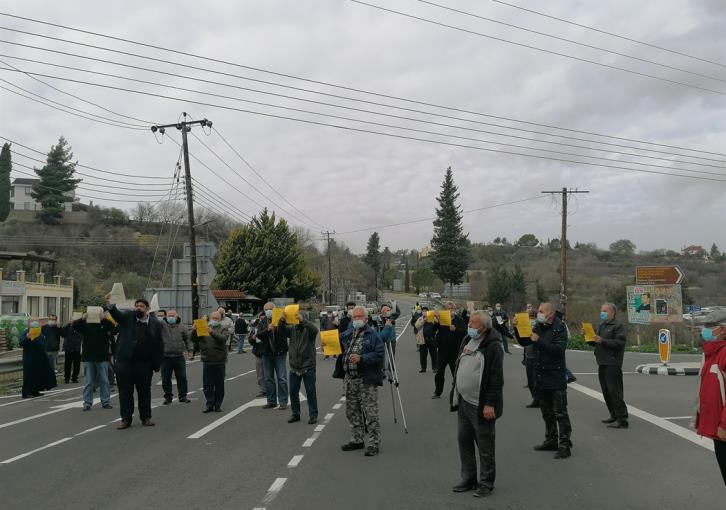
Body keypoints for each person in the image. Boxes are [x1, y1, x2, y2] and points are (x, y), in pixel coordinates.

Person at [450, 310, 503, 498]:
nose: (469, 326)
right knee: (464, 441)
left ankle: (486, 483)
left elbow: (497, 379)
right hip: (464, 401)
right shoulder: (467, 340)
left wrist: (490, 404)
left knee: (485, 445)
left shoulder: (493, 346)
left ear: (483, 327)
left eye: (472, 323)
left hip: (480, 404)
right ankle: (469, 478)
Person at [106, 297, 165, 429]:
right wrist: (111, 305)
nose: (138, 308)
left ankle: (146, 417)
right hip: (125, 363)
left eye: (142, 306)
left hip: (144, 364)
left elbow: (159, 344)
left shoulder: (155, 323)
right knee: (125, 392)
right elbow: (118, 316)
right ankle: (126, 419)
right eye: (137, 305)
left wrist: (157, 364)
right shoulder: (128, 317)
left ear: (148, 309)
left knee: (144, 392)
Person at [339, 305, 385, 456]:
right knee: (352, 412)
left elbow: (379, 355)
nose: (356, 320)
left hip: (366, 380)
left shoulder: (373, 335)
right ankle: (357, 439)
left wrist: (362, 358)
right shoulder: (349, 334)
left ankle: (374, 443)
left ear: (366, 319)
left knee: (370, 413)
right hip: (350, 379)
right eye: (353, 317)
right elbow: (338, 343)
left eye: (359, 317)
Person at [531, 302, 573, 459]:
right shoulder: (539, 326)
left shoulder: (560, 327)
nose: (538, 313)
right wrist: (517, 328)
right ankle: (551, 439)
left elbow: (558, 350)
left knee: (560, 412)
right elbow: (526, 342)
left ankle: (564, 444)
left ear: (551, 313)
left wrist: (539, 341)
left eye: (541, 311)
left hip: (555, 376)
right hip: (541, 375)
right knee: (546, 412)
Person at [693, 312, 726, 485]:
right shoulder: (711, 353)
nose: (704, 331)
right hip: (718, 428)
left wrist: (724, 424)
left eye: (708, 327)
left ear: (722, 330)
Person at [592, 303, 628, 428]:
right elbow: (596, 342)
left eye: (605, 311)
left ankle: (622, 419)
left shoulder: (618, 326)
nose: (602, 313)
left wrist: (603, 340)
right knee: (606, 392)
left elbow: (619, 343)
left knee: (614, 392)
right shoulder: (602, 325)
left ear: (613, 312)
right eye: (602, 310)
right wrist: (588, 337)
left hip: (613, 363)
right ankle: (613, 415)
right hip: (602, 362)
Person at [75, 309, 115, 411]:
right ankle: (87, 403)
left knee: (104, 380)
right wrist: (82, 318)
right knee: (88, 381)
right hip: (88, 356)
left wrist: (104, 319)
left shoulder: (104, 324)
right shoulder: (85, 324)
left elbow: (112, 327)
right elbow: (75, 326)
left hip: (102, 356)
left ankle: (105, 402)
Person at [286, 311, 320, 424]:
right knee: (293, 391)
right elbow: (282, 331)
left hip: (308, 365)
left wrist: (303, 321)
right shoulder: (292, 329)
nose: (297, 319)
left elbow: (315, 330)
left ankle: (313, 415)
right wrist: (281, 321)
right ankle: (295, 414)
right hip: (294, 366)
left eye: (299, 317)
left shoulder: (309, 329)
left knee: (310, 391)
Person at [256, 302, 290, 410]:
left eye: (270, 309)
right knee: (268, 378)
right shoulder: (262, 322)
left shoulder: (281, 320)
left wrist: (282, 321)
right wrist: (268, 329)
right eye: (266, 310)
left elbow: (285, 332)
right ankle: (271, 401)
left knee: (281, 378)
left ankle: (283, 401)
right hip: (266, 354)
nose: (268, 311)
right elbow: (259, 335)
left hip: (280, 353)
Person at [432, 302, 467, 399]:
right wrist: (436, 322)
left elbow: (465, 333)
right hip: (442, 351)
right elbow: (433, 330)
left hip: (454, 351)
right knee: (439, 372)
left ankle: (459, 392)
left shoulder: (459, 320)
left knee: (456, 373)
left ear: (454, 310)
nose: (449, 311)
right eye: (447, 309)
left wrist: (455, 329)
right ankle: (437, 392)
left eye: (451, 309)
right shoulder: (442, 319)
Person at [197, 311, 228, 413]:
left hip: (219, 360)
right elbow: (194, 339)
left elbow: (223, 339)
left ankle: (218, 405)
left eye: (217, 318)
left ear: (220, 319)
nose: (214, 320)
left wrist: (212, 332)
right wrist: (194, 330)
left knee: (219, 384)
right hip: (207, 359)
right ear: (210, 318)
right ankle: (209, 404)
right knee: (207, 384)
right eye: (213, 318)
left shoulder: (223, 328)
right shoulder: (203, 327)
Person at [160, 310, 192, 405]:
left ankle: (183, 396)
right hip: (165, 357)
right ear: (166, 317)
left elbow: (188, 340)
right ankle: (168, 396)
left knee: (182, 377)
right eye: (169, 316)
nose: (171, 317)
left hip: (179, 356)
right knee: (166, 378)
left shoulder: (182, 327)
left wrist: (190, 351)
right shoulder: (162, 326)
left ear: (177, 316)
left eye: (173, 316)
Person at [19, 319, 57, 398]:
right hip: (29, 358)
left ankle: (35, 391)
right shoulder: (26, 332)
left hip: (39, 358)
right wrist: (27, 338)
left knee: (37, 375)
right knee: (28, 376)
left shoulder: (40, 333)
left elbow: (42, 343)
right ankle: (26, 393)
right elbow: (21, 343)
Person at [514, 309, 539, 408]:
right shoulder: (525, 326)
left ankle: (539, 399)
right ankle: (535, 399)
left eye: (533, 318)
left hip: (537, 356)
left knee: (537, 380)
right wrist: (516, 327)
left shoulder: (539, 327)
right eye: (530, 318)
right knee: (530, 380)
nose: (531, 320)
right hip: (529, 355)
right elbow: (522, 341)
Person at [247, 313, 267, 397]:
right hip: (258, 353)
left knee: (269, 373)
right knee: (260, 373)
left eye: (263, 318)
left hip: (268, 353)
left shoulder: (270, 326)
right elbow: (250, 340)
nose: (262, 319)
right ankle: (263, 390)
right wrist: (253, 338)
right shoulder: (255, 328)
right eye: (260, 318)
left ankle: (272, 388)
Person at [416, 306, 438, 373]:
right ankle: (423, 368)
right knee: (423, 355)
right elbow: (417, 326)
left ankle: (435, 368)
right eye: (423, 311)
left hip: (431, 339)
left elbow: (437, 325)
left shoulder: (432, 318)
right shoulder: (420, 319)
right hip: (423, 339)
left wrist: (435, 318)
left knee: (434, 355)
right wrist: (424, 320)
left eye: (426, 311)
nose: (424, 312)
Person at [62, 319, 82, 384]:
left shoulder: (79, 328)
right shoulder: (67, 328)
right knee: (67, 364)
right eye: (72, 321)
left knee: (77, 365)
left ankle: (74, 378)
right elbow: (62, 331)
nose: (73, 322)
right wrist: (69, 324)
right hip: (68, 348)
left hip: (77, 349)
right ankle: (66, 378)